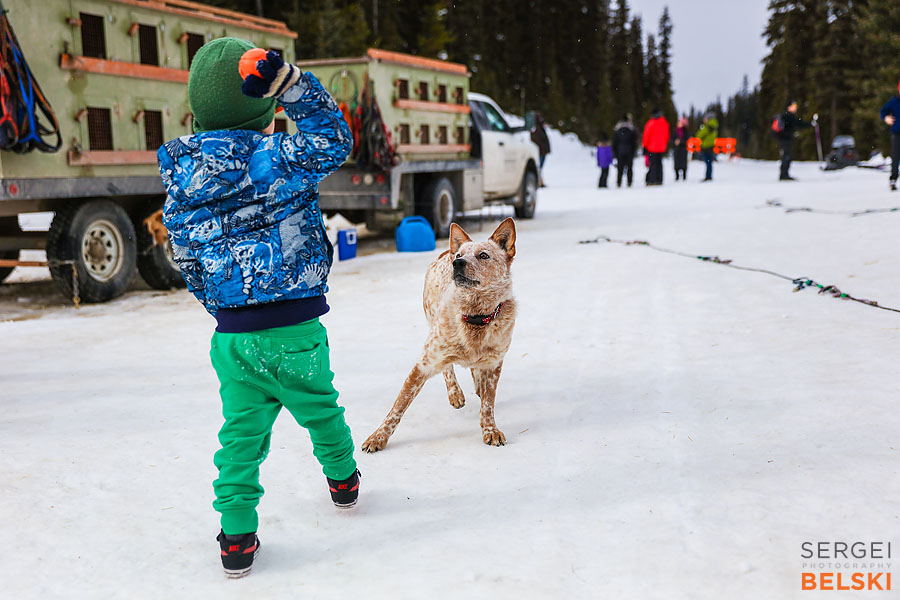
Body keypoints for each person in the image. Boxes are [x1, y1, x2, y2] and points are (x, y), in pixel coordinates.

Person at [156, 38, 359, 578]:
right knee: (321, 408)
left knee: (240, 437)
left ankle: (236, 538)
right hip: (295, 329)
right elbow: (334, 140)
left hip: (233, 339)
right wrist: (294, 87)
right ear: (265, 112)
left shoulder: (182, 182)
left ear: (197, 116)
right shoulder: (279, 159)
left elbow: (186, 257)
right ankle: (343, 481)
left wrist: (223, 307)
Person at [775, 100, 814, 181]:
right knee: (786, 156)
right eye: (793, 106)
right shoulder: (789, 116)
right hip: (785, 139)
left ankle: (784, 174)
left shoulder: (785, 116)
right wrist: (810, 124)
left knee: (785, 156)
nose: (795, 108)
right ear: (789, 107)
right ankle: (784, 175)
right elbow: (799, 123)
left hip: (784, 139)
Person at [879, 80, 900, 191]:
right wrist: (886, 118)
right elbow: (883, 111)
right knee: (895, 157)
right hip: (896, 132)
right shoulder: (894, 102)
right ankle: (893, 179)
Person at [642, 107, 670, 186]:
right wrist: (664, 144)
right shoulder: (664, 123)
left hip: (652, 147)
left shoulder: (651, 123)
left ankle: (652, 179)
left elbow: (646, 136)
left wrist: (644, 146)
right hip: (661, 147)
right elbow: (667, 136)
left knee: (653, 164)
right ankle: (659, 179)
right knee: (659, 163)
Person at [612, 114, 638, 188]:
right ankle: (629, 182)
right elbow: (634, 142)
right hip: (629, 151)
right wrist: (633, 151)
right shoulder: (631, 129)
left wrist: (615, 153)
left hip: (620, 151)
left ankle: (619, 182)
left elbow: (615, 142)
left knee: (620, 168)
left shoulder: (617, 130)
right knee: (629, 167)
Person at [695, 112, 718, 181]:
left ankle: (708, 176)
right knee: (709, 162)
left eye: (705, 118)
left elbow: (699, 135)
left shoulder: (707, 126)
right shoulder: (714, 126)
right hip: (711, 145)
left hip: (706, 146)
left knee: (707, 162)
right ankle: (709, 175)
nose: (704, 120)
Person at [530, 112, 551, 187]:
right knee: (538, 167)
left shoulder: (538, 129)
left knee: (539, 167)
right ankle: (539, 182)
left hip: (542, 151)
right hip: (540, 152)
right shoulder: (537, 129)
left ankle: (540, 181)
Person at [673, 115, 689, 181]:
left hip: (683, 149)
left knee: (683, 162)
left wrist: (681, 142)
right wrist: (675, 142)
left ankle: (684, 175)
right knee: (676, 163)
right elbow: (672, 138)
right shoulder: (675, 130)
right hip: (676, 149)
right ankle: (677, 175)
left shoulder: (685, 131)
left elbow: (687, 139)